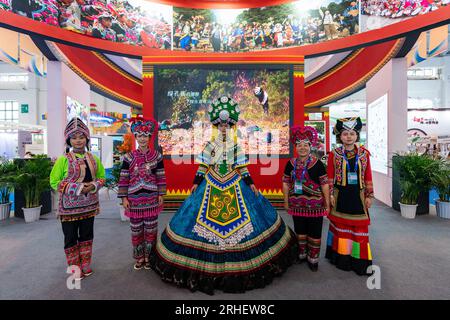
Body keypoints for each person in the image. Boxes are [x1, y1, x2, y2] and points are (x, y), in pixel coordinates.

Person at [149, 96, 298, 295]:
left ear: (232, 127)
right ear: (217, 127)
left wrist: (251, 184)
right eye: (221, 126)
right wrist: (195, 183)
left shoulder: (236, 147)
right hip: (210, 182)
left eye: (227, 126)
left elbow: (242, 168)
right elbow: (203, 165)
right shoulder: (210, 145)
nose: (224, 129)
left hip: (234, 182)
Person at [50, 117, 105, 279]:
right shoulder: (63, 160)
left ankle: (86, 264)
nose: (78, 141)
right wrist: (79, 188)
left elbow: (102, 177)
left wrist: (94, 186)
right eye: (74, 138)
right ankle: (75, 268)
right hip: (68, 209)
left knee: (87, 235)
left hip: (89, 206)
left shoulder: (93, 159)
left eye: (81, 137)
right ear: (69, 140)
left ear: (87, 139)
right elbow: (54, 181)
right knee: (70, 237)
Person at [326, 117, 374, 276]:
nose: (348, 137)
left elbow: (368, 176)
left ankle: (359, 261)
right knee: (342, 228)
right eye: (345, 133)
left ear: (357, 136)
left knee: (360, 229)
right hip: (340, 196)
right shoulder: (334, 154)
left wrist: (370, 195)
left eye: (352, 133)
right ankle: (342, 259)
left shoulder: (364, 155)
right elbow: (330, 176)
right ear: (340, 136)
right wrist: (330, 194)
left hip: (358, 196)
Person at [118, 115, 166, 270]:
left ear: (150, 137)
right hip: (134, 200)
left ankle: (150, 257)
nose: (143, 138)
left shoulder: (156, 156)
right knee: (136, 230)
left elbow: (160, 176)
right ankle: (139, 257)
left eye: (145, 135)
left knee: (151, 229)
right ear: (136, 137)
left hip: (152, 198)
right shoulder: (128, 157)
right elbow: (124, 177)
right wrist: (124, 197)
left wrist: (161, 194)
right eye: (139, 135)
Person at [283, 126, 330, 271]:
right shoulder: (290, 164)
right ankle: (302, 254)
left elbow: (325, 185)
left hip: (315, 207)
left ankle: (313, 259)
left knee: (315, 233)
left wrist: (327, 204)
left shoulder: (318, 164)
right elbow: (285, 183)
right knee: (300, 231)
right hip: (297, 206)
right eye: (299, 145)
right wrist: (286, 201)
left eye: (305, 144)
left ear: (310, 146)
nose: (302, 147)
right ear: (295, 147)